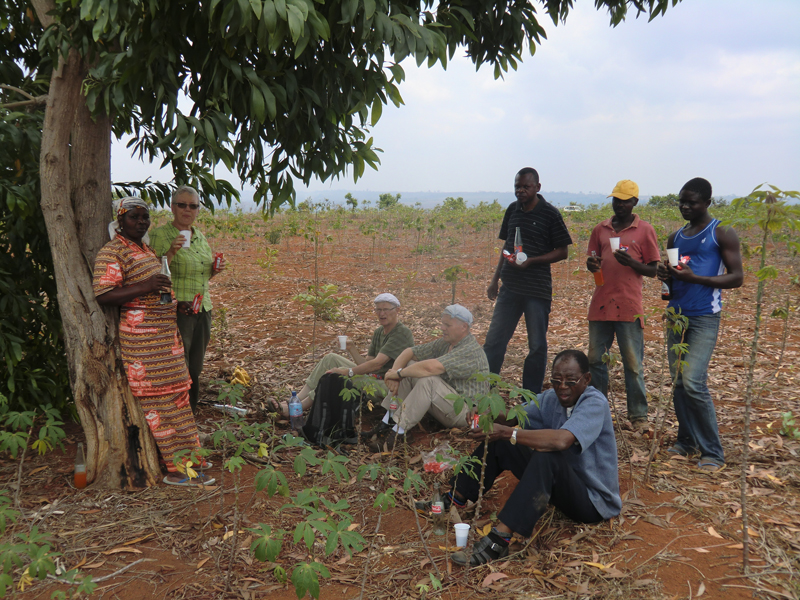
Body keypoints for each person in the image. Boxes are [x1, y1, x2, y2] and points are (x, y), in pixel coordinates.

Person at [440, 350, 620, 566]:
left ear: (586, 379)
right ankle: (455, 498)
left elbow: (561, 440)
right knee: (502, 442)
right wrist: (487, 412)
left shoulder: (594, 403)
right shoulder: (551, 398)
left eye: (570, 381)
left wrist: (508, 432)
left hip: (591, 502)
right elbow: (513, 418)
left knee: (544, 455)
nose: (562, 386)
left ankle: (499, 540)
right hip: (562, 487)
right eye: (556, 380)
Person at [93, 197, 215, 487]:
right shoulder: (113, 251)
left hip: (165, 338)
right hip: (144, 343)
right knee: (161, 404)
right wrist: (146, 285)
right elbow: (104, 294)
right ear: (120, 220)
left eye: (145, 217)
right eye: (134, 217)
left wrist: (177, 304)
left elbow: (154, 292)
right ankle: (178, 470)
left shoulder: (145, 249)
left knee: (180, 397)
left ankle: (192, 457)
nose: (141, 222)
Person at [656, 178, 743, 471]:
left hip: (705, 315)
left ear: (707, 202)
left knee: (693, 381)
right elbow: (674, 279)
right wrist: (666, 276)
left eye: (691, 202)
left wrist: (696, 279)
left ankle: (713, 453)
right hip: (676, 315)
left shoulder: (721, 232)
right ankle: (686, 441)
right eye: (681, 201)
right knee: (679, 383)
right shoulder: (676, 237)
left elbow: (737, 277)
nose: (685, 206)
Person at [484, 168, 572, 393]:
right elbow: (506, 247)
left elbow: (563, 251)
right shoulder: (512, 210)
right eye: (517, 187)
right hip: (510, 287)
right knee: (494, 341)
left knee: (536, 346)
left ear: (537, 188)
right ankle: (486, 391)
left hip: (536, 291)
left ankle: (531, 398)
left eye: (526, 187)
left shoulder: (550, 214)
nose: (520, 191)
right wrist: (495, 280)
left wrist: (531, 261)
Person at [586, 180, 660, 430]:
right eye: (616, 200)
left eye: (625, 201)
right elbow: (593, 259)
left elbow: (653, 269)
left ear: (635, 202)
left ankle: (638, 416)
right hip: (601, 304)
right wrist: (591, 265)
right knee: (596, 360)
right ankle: (597, 411)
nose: (619, 205)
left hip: (629, 307)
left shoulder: (645, 230)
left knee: (633, 364)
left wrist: (631, 263)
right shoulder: (600, 229)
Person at [368, 305, 490, 451]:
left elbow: (430, 368)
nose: (442, 328)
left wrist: (398, 374)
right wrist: (395, 374)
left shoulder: (469, 350)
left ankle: (397, 434)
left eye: (447, 325)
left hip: (466, 413)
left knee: (428, 380)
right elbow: (410, 352)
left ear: (464, 327)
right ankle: (387, 421)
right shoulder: (447, 343)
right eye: (442, 323)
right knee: (411, 366)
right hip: (447, 402)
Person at [150, 185, 226, 412]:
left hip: (202, 308)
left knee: (195, 366)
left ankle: (189, 411)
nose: (187, 210)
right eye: (182, 205)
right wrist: (171, 252)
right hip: (177, 309)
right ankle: (175, 413)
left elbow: (202, 275)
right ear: (172, 207)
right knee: (177, 365)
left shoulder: (199, 236)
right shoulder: (160, 235)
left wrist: (214, 269)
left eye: (193, 206)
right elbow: (152, 274)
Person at [273, 293, 414, 416]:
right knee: (330, 358)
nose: (382, 314)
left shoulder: (401, 333)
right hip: (373, 377)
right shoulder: (379, 332)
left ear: (397, 310)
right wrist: (352, 349)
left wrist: (347, 372)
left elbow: (377, 364)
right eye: (378, 309)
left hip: (388, 385)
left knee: (337, 375)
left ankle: (297, 408)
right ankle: (295, 399)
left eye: (386, 309)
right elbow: (367, 364)